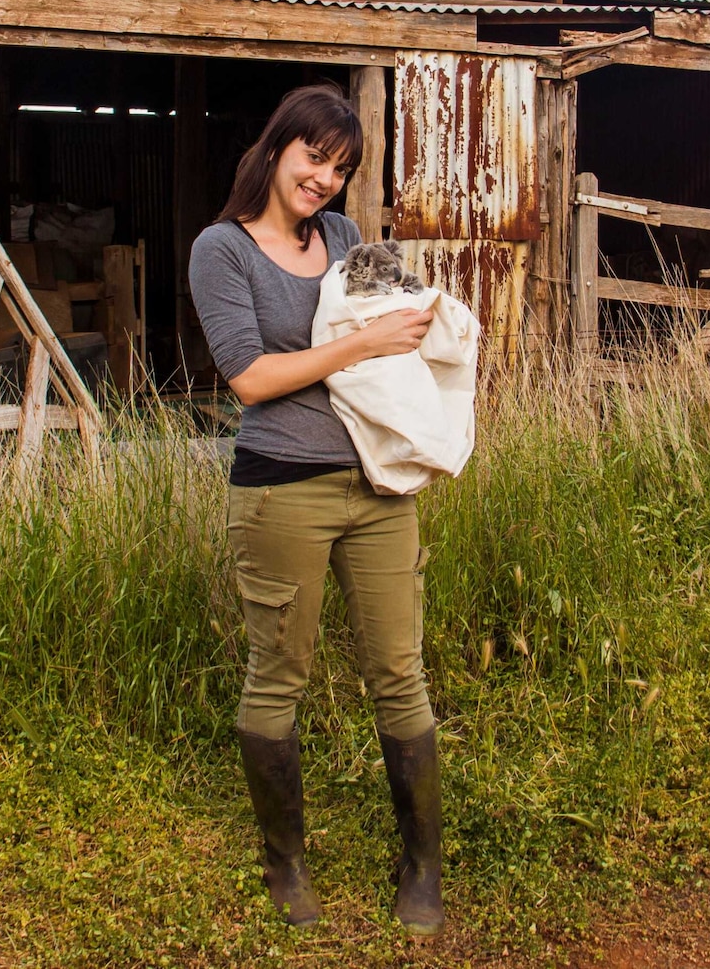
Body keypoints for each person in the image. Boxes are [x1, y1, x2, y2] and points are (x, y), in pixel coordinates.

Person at [187, 83, 444, 936]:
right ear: (276, 148)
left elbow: (390, 315)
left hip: (378, 487)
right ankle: (286, 865)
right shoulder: (220, 251)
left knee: (398, 674)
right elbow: (251, 378)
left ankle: (421, 868)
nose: (325, 178)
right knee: (278, 677)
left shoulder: (339, 238)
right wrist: (360, 343)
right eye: (314, 156)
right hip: (280, 490)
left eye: (341, 168)